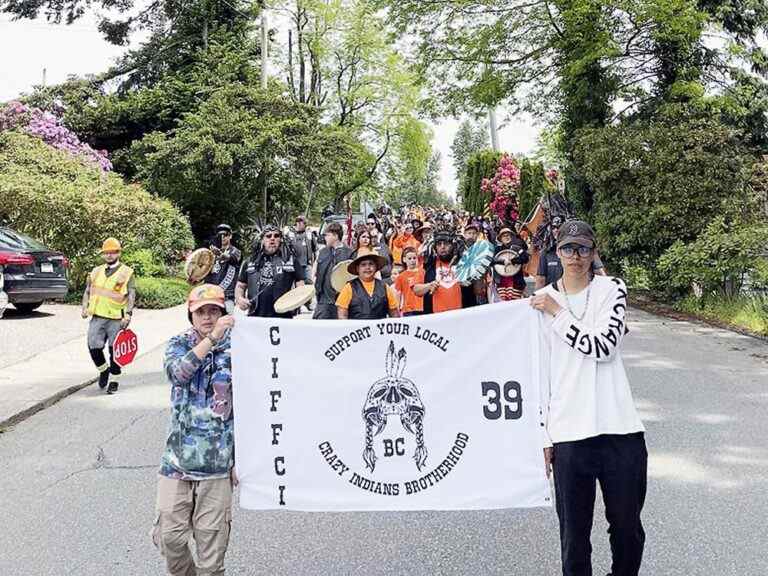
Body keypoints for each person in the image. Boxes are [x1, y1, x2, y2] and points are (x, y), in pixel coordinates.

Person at [530, 220, 646, 576]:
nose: (575, 256)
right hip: (569, 434)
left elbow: (603, 346)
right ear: (557, 252)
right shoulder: (541, 303)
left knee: (627, 530)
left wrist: (558, 312)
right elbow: (540, 372)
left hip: (620, 429)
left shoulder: (612, 289)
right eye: (568, 248)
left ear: (593, 252)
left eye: (583, 248)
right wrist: (543, 435)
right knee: (574, 537)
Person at [153, 284, 236, 576]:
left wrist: (242, 457)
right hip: (176, 463)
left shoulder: (239, 349)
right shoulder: (179, 344)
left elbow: (252, 405)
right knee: (170, 538)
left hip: (216, 466)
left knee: (212, 555)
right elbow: (178, 374)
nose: (208, 317)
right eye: (202, 311)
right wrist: (212, 339)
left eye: (214, 311)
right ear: (191, 314)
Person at [81, 237, 135, 394]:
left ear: (119, 253)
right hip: (97, 316)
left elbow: (131, 295)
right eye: (107, 253)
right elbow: (88, 291)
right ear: (103, 254)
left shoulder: (127, 272)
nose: (109, 255)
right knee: (93, 346)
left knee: (115, 351)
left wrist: (129, 314)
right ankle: (103, 370)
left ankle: (114, 380)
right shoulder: (96, 271)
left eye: (113, 252)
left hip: (116, 318)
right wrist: (84, 307)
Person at [235, 225, 305, 318]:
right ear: (262, 240)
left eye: (276, 236)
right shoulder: (250, 261)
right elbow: (240, 285)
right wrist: (240, 299)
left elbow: (300, 282)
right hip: (255, 315)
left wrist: (296, 300)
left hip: (283, 315)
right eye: (268, 236)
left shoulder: (290, 260)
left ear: (280, 239)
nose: (272, 239)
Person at [536, 217, 606, 290]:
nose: (556, 230)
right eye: (554, 227)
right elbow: (540, 279)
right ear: (558, 252)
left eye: (559, 227)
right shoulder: (546, 252)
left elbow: (600, 273)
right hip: (554, 296)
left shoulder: (586, 250)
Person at [336, 249, 400, 319]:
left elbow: (394, 313)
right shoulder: (349, 287)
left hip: (379, 329)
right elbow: (342, 314)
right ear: (357, 268)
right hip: (357, 329)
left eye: (371, 264)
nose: (368, 267)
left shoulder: (385, 287)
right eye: (363, 265)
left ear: (376, 267)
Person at [416, 227, 463, 314]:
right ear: (435, 248)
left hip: (461, 316)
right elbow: (416, 290)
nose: (442, 247)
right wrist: (429, 286)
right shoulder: (428, 266)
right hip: (436, 319)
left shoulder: (463, 264)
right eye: (439, 244)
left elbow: (478, 290)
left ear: (453, 246)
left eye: (446, 244)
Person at [313, 222, 353, 320]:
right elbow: (315, 270)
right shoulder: (323, 252)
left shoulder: (349, 253)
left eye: (327, 235)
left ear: (335, 235)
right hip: (324, 300)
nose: (324, 238)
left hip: (342, 300)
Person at [205, 224, 242, 314]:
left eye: (225, 235)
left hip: (227, 296)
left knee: (227, 323)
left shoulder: (236, 251)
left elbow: (231, 258)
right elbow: (205, 272)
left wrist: (220, 254)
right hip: (211, 295)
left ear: (230, 236)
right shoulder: (211, 253)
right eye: (220, 235)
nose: (222, 237)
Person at [489, 227, 529, 302]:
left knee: (514, 302)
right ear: (500, 238)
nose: (507, 237)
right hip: (501, 281)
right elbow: (491, 261)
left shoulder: (517, 248)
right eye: (504, 236)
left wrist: (512, 261)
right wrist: (502, 261)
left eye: (508, 235)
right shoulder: (497, 249)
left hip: (516, 281)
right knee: (503, 303)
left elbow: (525, 258)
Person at [394, 247, 425, 317]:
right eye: (410, 258)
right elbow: (398, 294)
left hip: (422, 308)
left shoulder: (422, 272)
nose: (412, 261)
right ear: (404, 259)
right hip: (408, 310)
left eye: (414, 258)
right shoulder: (401, 276)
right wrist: (397, 310)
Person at [292, 215, 317, 282]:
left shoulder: (309, 234)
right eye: (298, 222)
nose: (299, 224)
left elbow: (315, 250)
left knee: (309, 284)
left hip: (307, 265)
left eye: (301, 222)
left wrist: (314, 264)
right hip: (294, 265)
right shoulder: (291, 234)